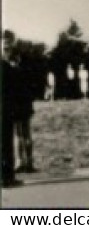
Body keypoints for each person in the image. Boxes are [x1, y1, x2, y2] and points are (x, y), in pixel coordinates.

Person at [2, 32, 22, 188]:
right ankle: (7, 177)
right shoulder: (6, 66)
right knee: (6, 143)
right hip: (6, 108)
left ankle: (7, 176)